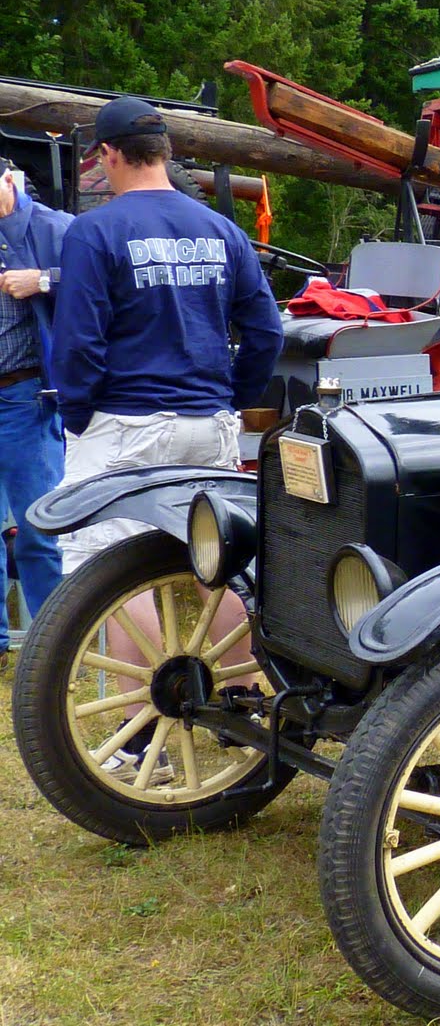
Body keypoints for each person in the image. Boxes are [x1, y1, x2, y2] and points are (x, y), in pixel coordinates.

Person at [51, 97, 282, 780]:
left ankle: (138, 725)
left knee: (112, 576)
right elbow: (266, 331)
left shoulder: (94, 233)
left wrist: (77, 413)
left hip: (124, 424)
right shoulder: (218, 228)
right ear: (167, 151)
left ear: (111, 155)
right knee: (222, 566)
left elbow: (79, 344)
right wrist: (233, 396)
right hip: (207, 422)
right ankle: (244, 705)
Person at [0, 158, 71, 671]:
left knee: (38, 529)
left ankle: (54, 652)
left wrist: (43, 279)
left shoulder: (54, 228)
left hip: (25, 397)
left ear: (8, 180)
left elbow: (107, 283)